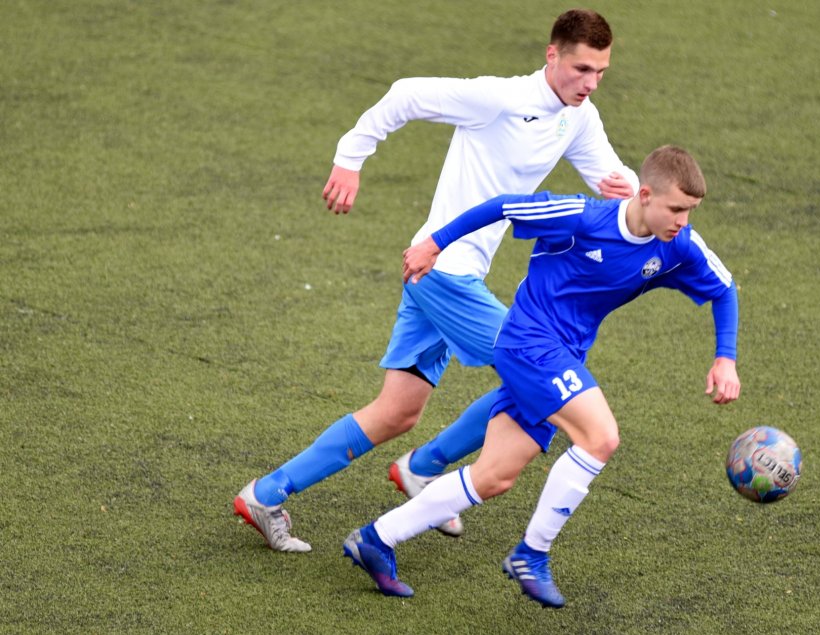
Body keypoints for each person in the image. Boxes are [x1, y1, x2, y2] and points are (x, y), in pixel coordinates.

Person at [234, 9, 639, 552]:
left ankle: (265, 494)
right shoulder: (499, 99)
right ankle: (424, 468)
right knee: (538, 371)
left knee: (397, 412)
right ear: (552, 55)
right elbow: (406, 93)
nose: (590, 83)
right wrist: (350, 157)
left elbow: (615, 181)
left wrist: (635, 192)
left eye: (600, 73)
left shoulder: (578, 118)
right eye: (582, 69)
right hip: (443, 271)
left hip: (438, 275)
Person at [342, 145, 741, 608]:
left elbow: (724, 288)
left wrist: (725, 358)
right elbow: (501, 206)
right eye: (676, 209)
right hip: (529, 342)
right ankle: (532, 554)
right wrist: (435, 244)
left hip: (563, 355)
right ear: (645, 194)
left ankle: (377, 538)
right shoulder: (581, 217)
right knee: (601, 437)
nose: (683, 221)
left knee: (494, 477)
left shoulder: (678, 245)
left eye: (690, 211)